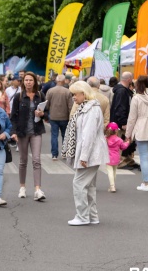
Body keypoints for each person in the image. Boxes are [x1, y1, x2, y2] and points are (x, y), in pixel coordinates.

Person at [62, 81, 109, 226]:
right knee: (88, 186)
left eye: (75, 94)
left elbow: (88, 135)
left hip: (89, 152)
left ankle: (82, 216)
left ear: (83, 94)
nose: (73, 97)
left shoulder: (90, 109)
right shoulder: (89, 107)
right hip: (91, 152)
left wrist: (83, 156)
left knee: (79, 184)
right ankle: (92, 216)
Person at [10, 71, 48, 201]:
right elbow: (13, 116)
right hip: (22, 132)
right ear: (23, 82)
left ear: (35, 82)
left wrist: (42, 114)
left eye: (30, 80)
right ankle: (22, 187)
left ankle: (38, 189)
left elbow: (47, 114)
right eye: (26, 80)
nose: (28, 82)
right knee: (23, 160)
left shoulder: (40, 95)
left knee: (36, 160)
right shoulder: (19, 97)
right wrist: (13, 132)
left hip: (36, 131)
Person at [125, 75, 148, 191]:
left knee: (144, 156)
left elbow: (132, 118)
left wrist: (128, 134)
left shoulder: (137, 98)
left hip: (141, 128)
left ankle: (146, 183)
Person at [110, 72, 136, 167]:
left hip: (118, 121)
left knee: (123, 141)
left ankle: (126, 159)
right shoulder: (122, 91)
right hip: (120, 122)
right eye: (132, 79)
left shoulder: (121, 90)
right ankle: (120, 161)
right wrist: (123, 122)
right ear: (129, 79)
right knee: (122, 141)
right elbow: (121, 108)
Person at [45, 74, 73, 160]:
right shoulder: (67, 91)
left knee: (54, 136)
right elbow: (70, 106)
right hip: (65, 117)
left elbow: (46, 104)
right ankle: (64, 153)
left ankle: (54, 154)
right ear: (64, 81)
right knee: (65, 135)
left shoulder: (50, 91)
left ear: (56, 81)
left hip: (53, 116)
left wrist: (49, 112)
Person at [105, 122, 129, 192]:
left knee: (110, 172)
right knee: (114, 171)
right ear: (116, 131)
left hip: (108, 158)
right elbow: (123, 147)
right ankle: (113, 185)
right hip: (116, 158)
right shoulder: (119, 139)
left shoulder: (106, 139)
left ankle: (112, 186)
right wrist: (127, 143)